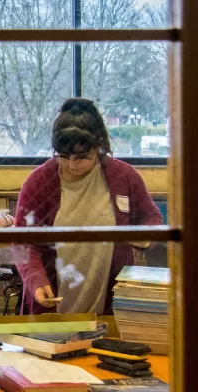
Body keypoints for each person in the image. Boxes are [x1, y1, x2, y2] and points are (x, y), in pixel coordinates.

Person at [12, 98, 162, 315]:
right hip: (50, 310)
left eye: (83, 157)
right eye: (64, 156)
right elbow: (24, 242)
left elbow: (151, 218)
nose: (72, 165)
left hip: (108, 308)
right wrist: (35, 279)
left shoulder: (125, 177)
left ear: (98, 147)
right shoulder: (39, 183)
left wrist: (145, 236)